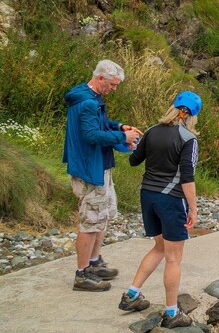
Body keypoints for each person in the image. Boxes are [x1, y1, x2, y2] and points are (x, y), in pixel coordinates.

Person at [118, 91, 201, 329]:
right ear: (192, 115)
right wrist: (193, 208)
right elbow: (187, 177)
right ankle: (172, 313)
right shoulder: (188, 139)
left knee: (160, 247)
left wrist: (133, 143)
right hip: (170, 199)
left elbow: (134, 160)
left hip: (148, 196)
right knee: (174, 258)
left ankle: (132, 295)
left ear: (174, 107)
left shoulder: (152, 131)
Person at [63, 59, 140, 292]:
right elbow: (91, 135)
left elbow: (101, 124)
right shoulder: (87, 102)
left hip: (99, 166)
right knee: (90, 222)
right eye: (112, 84)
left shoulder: (91, 96)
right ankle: (82, 274)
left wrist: (119, 127)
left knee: (102, 216)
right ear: (100, 78)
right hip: (90, 169)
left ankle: (94, 262)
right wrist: (122, 138)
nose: (114, 89)